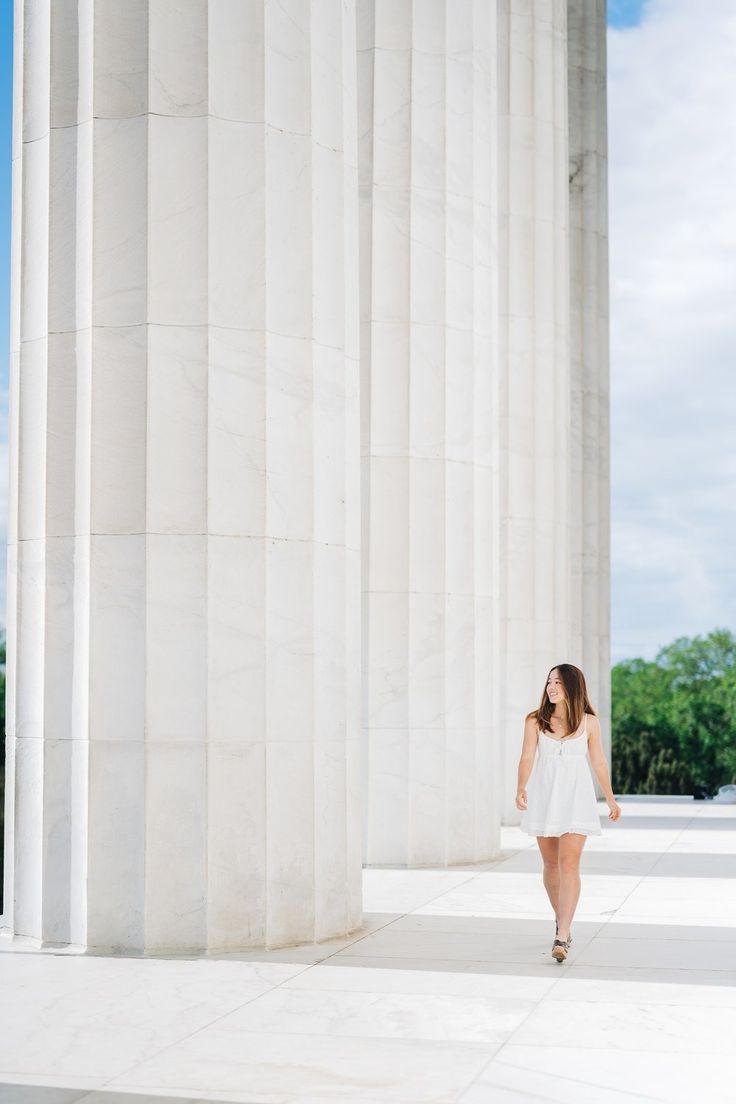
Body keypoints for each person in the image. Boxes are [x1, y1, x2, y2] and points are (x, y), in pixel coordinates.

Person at [515, 664, 621, 963]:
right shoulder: (535, 721)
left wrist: (610, 799)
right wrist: (520, 787)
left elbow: (599, 762)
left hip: (577, 800)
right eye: (549, 681)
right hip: (545, 798)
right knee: (550, 865)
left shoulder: (589, 723)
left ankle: (562, 935)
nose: (551, 687)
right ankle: (563, 920)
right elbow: (526, 757)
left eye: (558, 682)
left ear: (572, 687)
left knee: (569, 863)